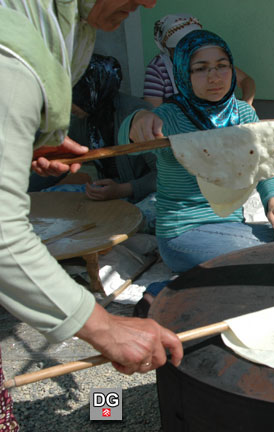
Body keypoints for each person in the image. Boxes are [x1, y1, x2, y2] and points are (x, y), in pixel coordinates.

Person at [0, 1, 183, 428]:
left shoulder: (44, 23)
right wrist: (104, 327)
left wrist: (24, 143)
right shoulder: (12, 66)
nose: (149, 3)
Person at [123, 30, 274, 310]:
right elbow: (129, 132)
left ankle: (196, 281)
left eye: (222, 66)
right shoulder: (169, 118)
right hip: (183, 232)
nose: (214, 76)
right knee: (272, 261)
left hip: (233, 227)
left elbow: (265, 167)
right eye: (201, 69)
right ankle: (165, 292)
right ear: (183, 74)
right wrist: (137, 119)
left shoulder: (244, 116)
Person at [29, 54, 158, 203]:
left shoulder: (138, 116)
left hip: (148, 193)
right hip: (109, 192)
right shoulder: (85, 118)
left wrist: (123, 189)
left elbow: (167, 174)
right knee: (49, 199)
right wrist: (21, 193)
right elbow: (61, 162)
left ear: (89, 90)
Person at [143, 14, 256, 108]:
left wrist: (247, 104)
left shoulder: (209, 57)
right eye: (178, 49)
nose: (186, 52)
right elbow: (155, 113)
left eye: (192, 46)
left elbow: (246, 80)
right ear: (166, 48)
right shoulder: (158, 69)